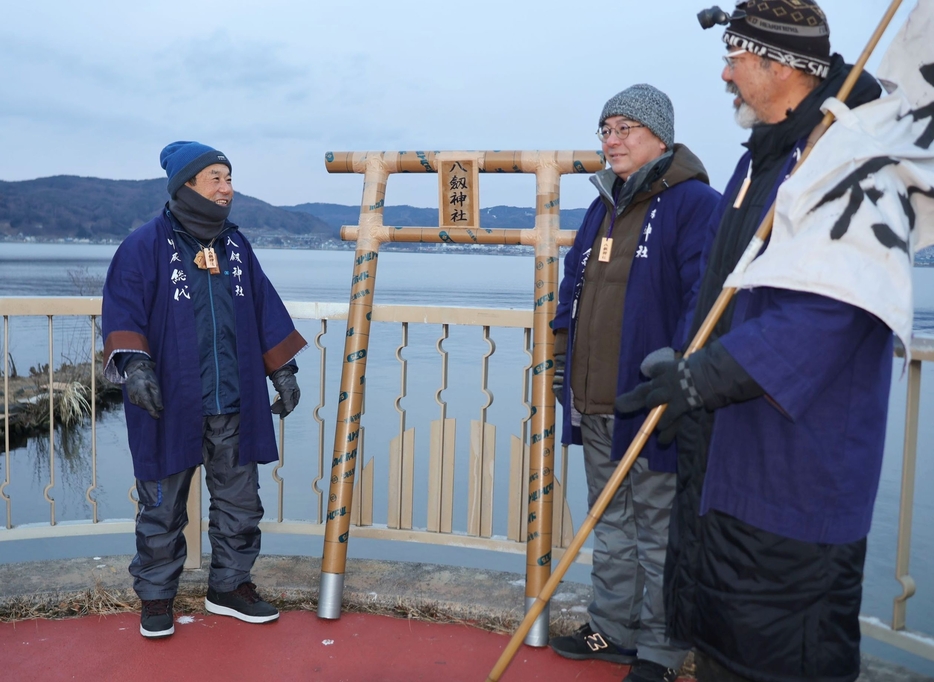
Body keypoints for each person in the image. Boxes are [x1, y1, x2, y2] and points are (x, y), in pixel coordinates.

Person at [615, 3, 887, 681]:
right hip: (724, 461)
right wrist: (683, 359)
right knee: (726, 650)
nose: (726, 74)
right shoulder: (759, 161)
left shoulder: (846, 158)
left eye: (736, 59)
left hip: (794, 466)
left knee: (782, 657)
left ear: (780, 65)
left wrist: (700, 379)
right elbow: (717, 291)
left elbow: (830, 312)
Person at [549, 84, 721, 682]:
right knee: (610, 521)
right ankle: (612, 629)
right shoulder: (603, 205)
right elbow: (572, 289)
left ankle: (661, 650)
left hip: (653, 405)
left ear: (659, 137)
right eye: (605, 130)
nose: (611, 140)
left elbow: (704, 302)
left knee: (659, 529)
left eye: (625, 128)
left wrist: (679, 375)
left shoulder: (696, 204)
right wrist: (561, 362)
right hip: (594, 398)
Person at [102, 141, 307, 639]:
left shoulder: (235, 246)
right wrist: (135, 367)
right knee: (162, 505)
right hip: (171, 403)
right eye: (216, 178)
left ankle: (230, 587)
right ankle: (155, 597)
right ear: (186, 185)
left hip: (234, 401)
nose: (227, 188)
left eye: (229, 178)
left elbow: (263, 310)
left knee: (240, 502)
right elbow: (123, 308)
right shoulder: (145, 245)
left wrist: (282, 369)